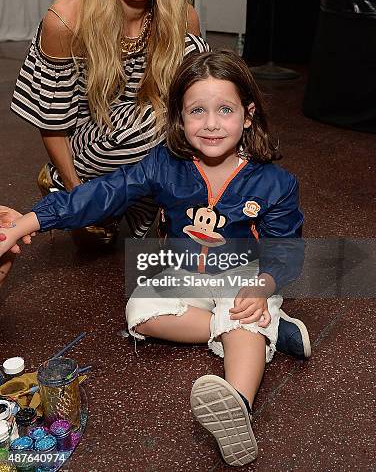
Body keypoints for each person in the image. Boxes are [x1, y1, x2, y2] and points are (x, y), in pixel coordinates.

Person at [0, 49, 310, 466]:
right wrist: (29, 222)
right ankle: (269, 330)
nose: (212, 123)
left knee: (245, 314)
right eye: (197, 111)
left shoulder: (276, 182)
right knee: (141, 312)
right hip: (183, 271)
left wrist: (264, 284)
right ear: (180, 119)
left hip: (244, 276)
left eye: (225, 110)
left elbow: (287, 251)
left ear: (248, 114)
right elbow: (104, 192)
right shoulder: (164, 164)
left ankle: (238, 406)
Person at [10, 0, 209, 245]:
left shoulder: (182, 19)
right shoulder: (67, 21)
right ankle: (65, 183)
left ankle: (144, 205)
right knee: (158, 117)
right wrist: (78, 200)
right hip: (88, 146)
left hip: (149, 151)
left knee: (200, 108)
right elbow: (53, 125)